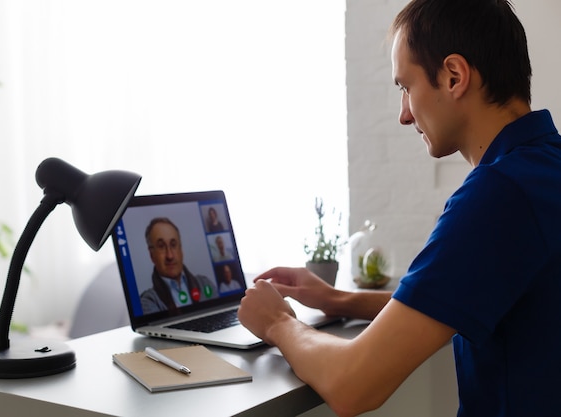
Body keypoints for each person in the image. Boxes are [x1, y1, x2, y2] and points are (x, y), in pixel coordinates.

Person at [237, 1, 561, 416]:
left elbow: (352, 385)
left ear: (454, 76)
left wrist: (277, 323)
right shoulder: (544, 169)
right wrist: (338, 300)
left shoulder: (499, 194)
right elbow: (456, 300)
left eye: (406, 87)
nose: (404, 115)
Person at [140, 217, 218, 314]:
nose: (170, 255)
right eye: (161, 246)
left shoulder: (205, 283)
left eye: (173, 245)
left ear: (181, 250)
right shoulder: (149, 301)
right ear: (152, 255)